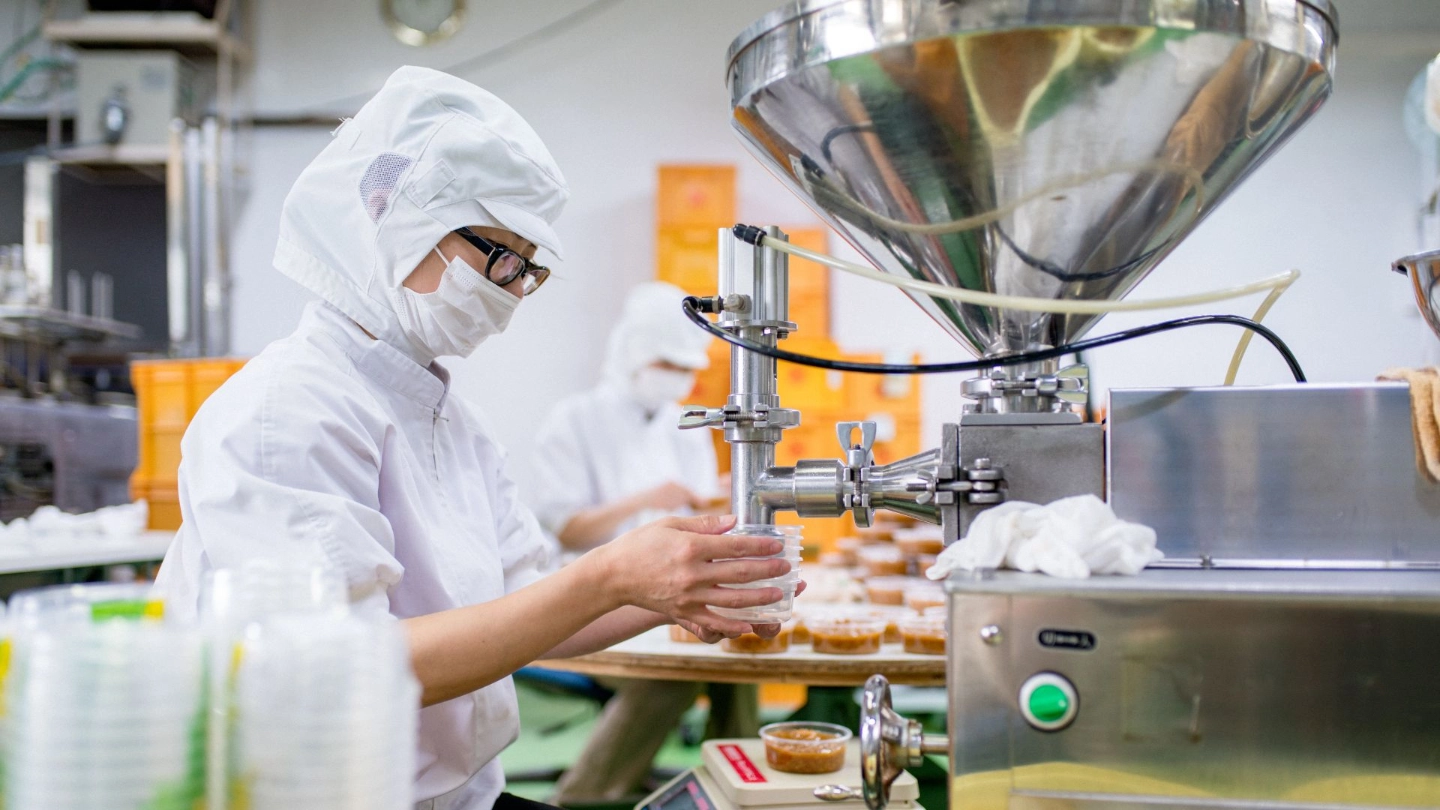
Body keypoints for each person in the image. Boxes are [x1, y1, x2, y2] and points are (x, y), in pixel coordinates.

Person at [154, 66, 790, 810]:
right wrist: (612, 574)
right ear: (392, 214)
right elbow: (346, 668)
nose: (514, 290)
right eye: (501, 257)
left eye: (529, 270)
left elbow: (524, 602)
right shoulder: (285, 411)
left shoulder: (447, 417)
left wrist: (675, 590)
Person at [531, 283, 753, 803]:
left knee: (738, 656)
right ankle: (586, 796)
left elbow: (702, 517)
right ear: (631, 351)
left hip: (675, 594)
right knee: (674, 672)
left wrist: (721, 500)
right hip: (593, 602)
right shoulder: (575, 420)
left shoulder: (687, 424)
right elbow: (568, 530)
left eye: (685, 366)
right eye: (666, 362)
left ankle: (739, 791)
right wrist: (645, 499)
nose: (676, 376)